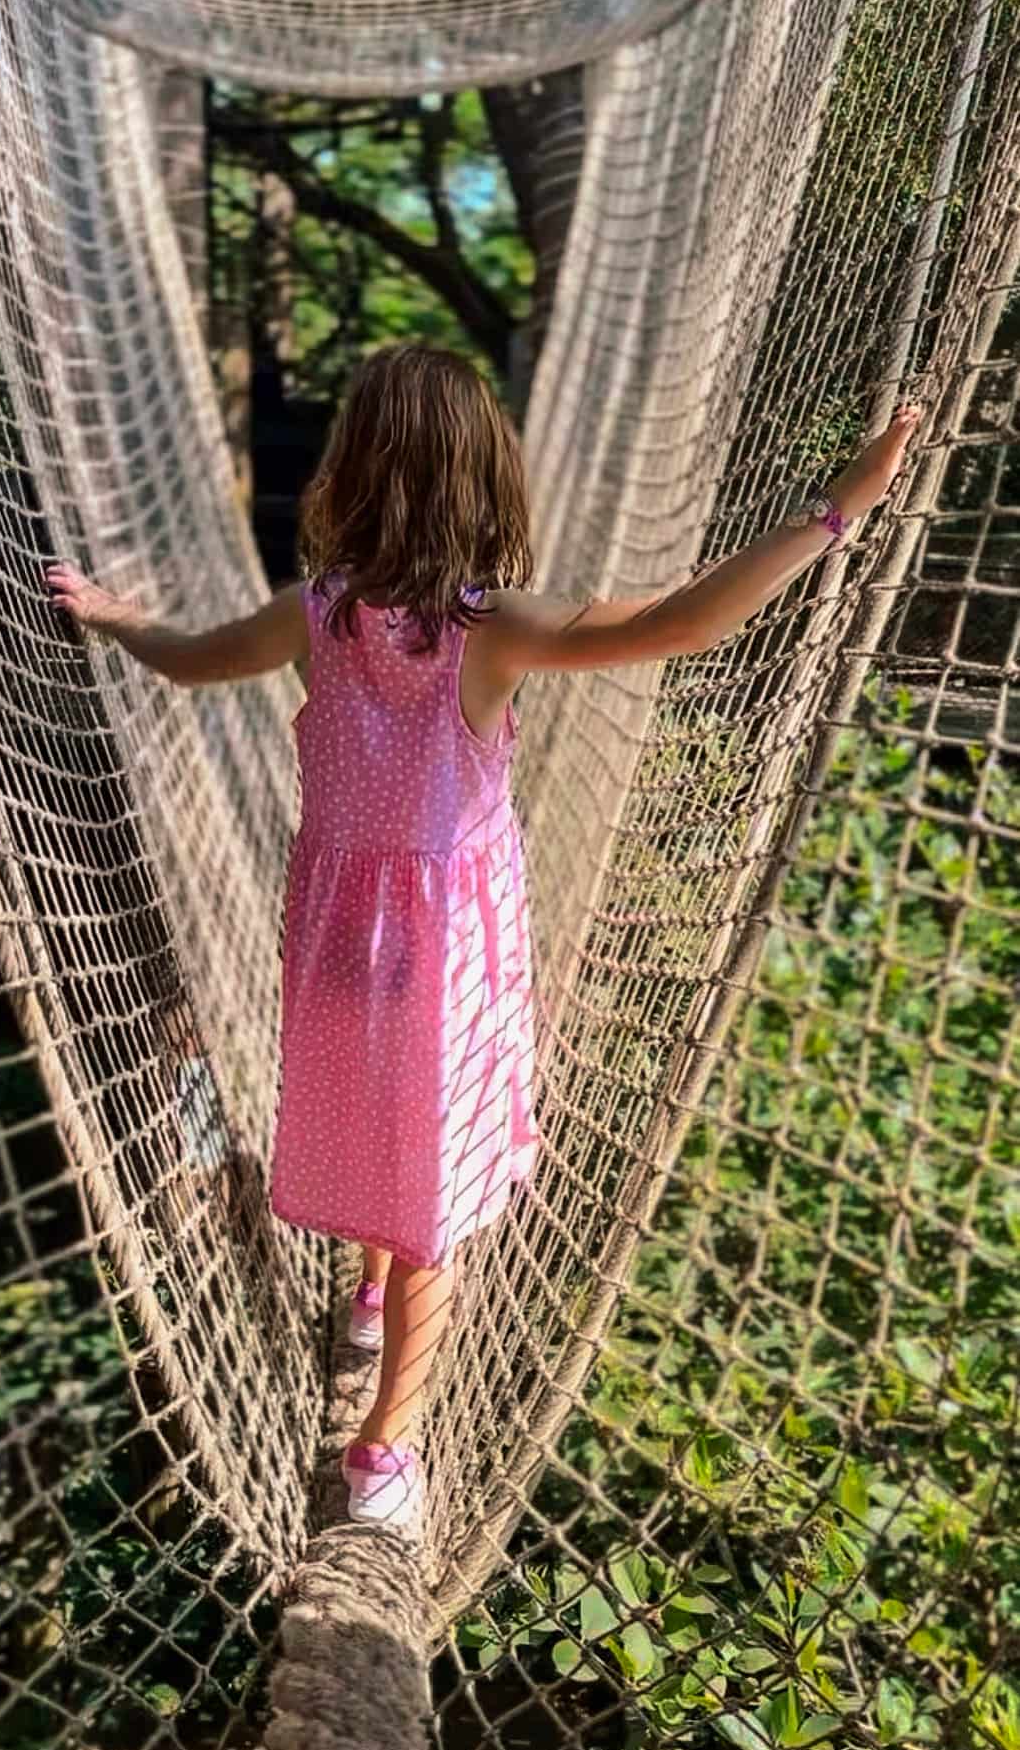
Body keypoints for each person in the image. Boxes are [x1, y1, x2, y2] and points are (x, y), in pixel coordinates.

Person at [46, 344, 920, 1536]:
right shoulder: (490, 628)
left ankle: (361, 1290)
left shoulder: (314, 617)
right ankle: (382, 1456)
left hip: (336, 945)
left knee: (369, 1126)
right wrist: (837, 510)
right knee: (436, 1206)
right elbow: (683, 622)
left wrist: (113, 618)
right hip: (446, 962)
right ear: (486, 480)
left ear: (350, 472)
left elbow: (192, 659)